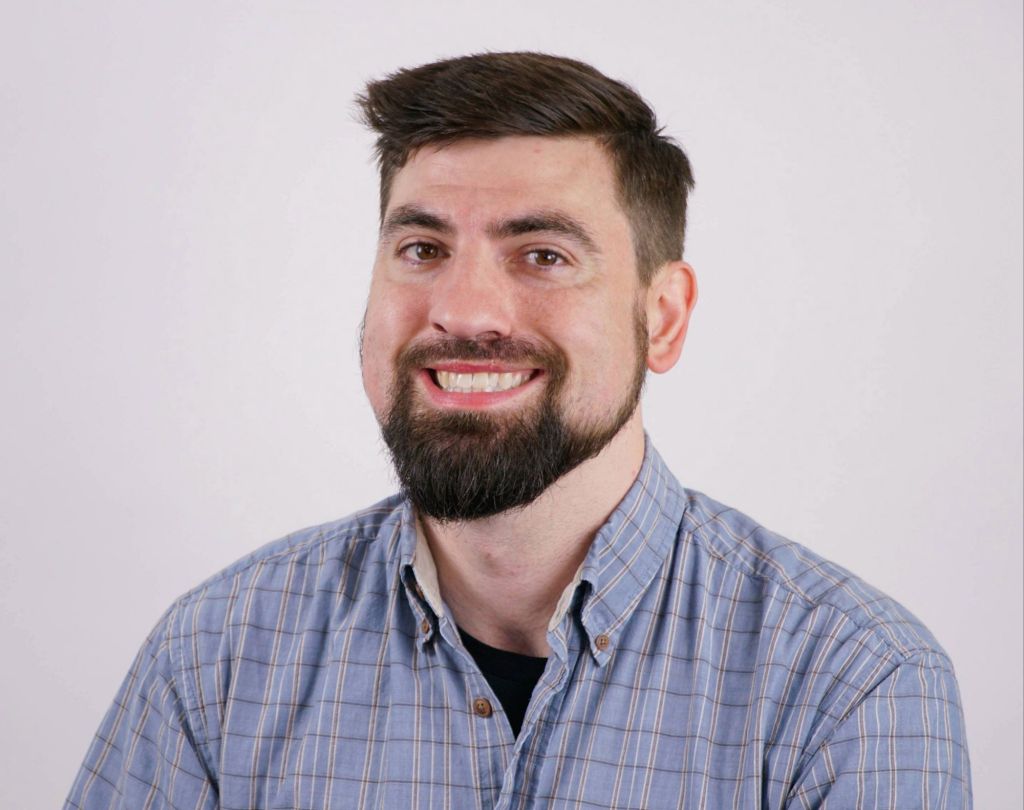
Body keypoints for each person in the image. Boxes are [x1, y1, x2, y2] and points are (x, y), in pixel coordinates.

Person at [65, 52, 971, 809]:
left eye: (543, 255)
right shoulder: (220, 652)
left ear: (662, 319)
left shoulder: (852, 684)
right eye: (423, 249)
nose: (464, 310)